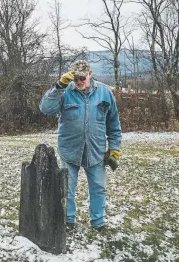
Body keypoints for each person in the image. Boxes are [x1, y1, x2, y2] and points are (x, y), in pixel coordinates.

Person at [39, 60, 122, 231]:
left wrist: (114, 149)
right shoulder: (65, 91)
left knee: (98, 188)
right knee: (67, 188)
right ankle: (68, 221)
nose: (79, 82)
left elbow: (114, 126)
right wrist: (59, 85)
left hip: (95, 151)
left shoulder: (105, 93)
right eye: (75, 79)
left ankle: (98, 223)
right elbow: (45, 108)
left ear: (90, 74)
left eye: (82, 78)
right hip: (70, 150)